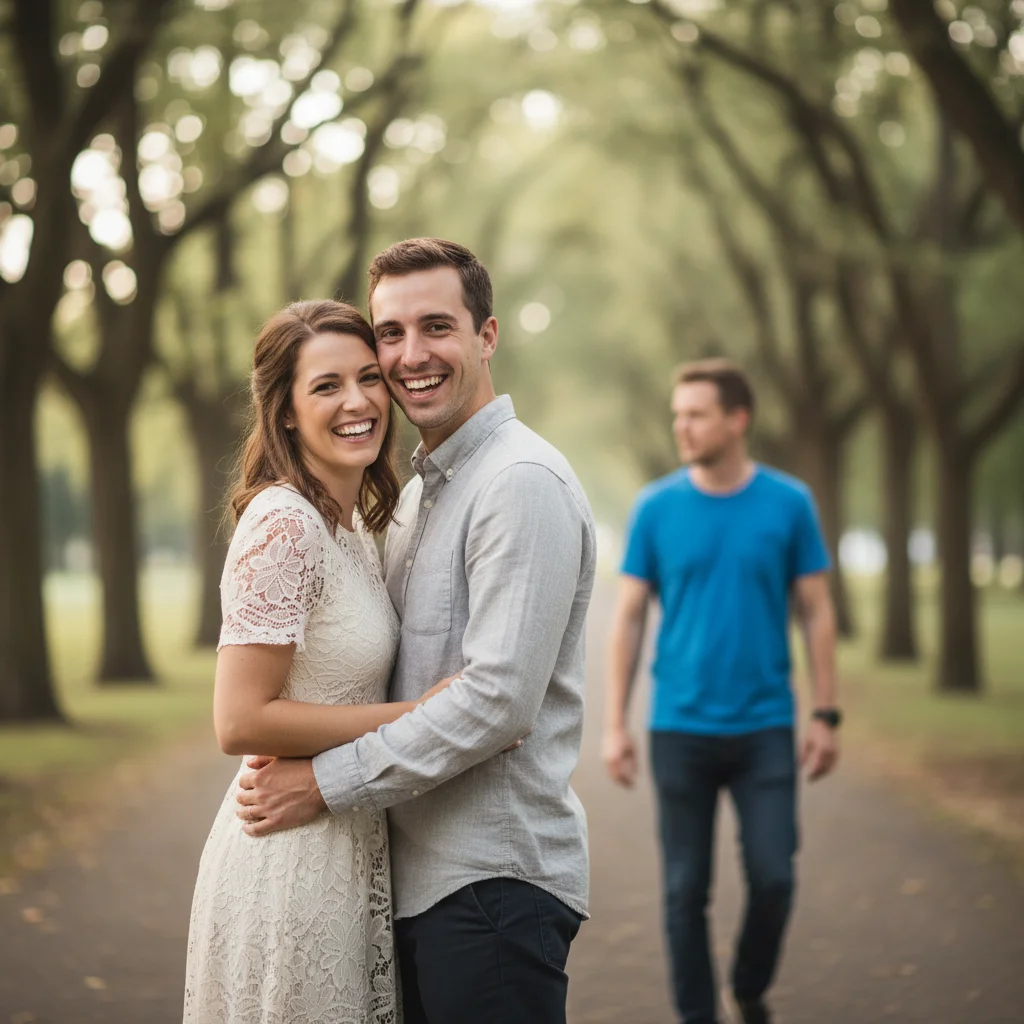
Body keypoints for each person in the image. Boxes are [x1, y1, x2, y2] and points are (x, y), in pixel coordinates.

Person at [236, 238, 596, 1024]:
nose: (410, 356)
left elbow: (497, 701)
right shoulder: (413, 498)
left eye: (436, 327)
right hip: (412, 884)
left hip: (490, 882)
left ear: (486, 336)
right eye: (390, 334)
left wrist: (323, 783)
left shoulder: (518, 482)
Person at [183, 300, 463, 1023]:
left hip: (345, 838)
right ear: (285, 412)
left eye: (368, 378)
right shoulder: (285, 525)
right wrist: (423, 714)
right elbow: (240, 720)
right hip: (289, 861)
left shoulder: (351, 527)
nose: (358, 402)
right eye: (326, 386)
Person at [602, 359, 841, 1024]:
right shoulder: (655, 508)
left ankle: (750, 986)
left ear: (738, 420)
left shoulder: (789, 503)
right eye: (677, 414)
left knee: (775, 876)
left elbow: (817, 610)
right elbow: (628, 618)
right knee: (685, 889)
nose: (681, 426)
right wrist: (615, 724)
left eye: (696, 414)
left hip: (765, 725)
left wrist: (826, 714)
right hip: (679, 726)